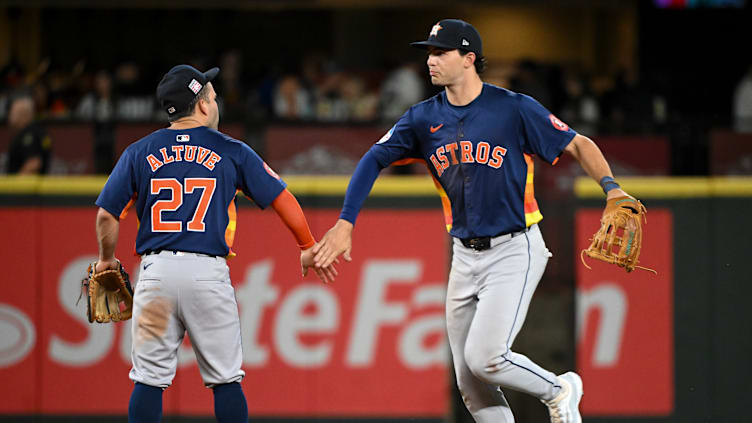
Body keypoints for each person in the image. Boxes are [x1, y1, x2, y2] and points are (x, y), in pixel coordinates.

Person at [312, 19, 637, 423]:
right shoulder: (421, 119)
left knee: (485, 358)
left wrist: (611, 187)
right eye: (428, 52)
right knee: (469, 381)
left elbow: (577, 143)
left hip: (514, 248)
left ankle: (560, 388)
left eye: (440, 52)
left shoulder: (513, 108)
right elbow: (373, 159)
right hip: (464, 256)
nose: (430, 60)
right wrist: (346, 222)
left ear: (469, 59)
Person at [92, 64, 337, 423]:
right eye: (213, 95)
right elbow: (282, 198)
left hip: (156, 273)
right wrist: (307, 245)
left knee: (148, 381)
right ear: (203, 105)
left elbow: (105, 215)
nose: (216, 101)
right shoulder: (231, 150)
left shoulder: (138, 152)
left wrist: (105, 260)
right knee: (225, 380)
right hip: (207, 273)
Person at [5, 93, 52, 174]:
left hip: (27, 186)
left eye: (12, 112)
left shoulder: (30, 135)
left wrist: (15, 185)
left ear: (23, 114)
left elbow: (33, 164)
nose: (9, 116)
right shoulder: (32, 132)